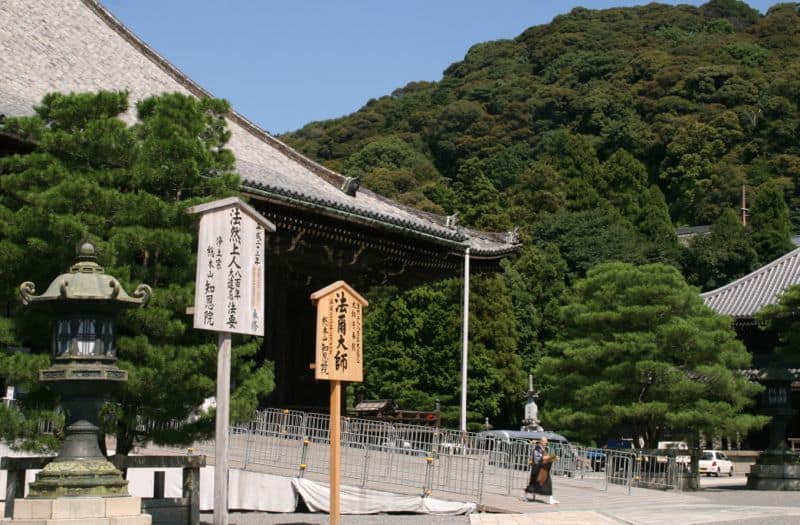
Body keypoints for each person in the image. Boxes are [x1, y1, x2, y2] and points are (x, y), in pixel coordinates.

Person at [524, 436, 559, 504]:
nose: (546, 444)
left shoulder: (543, 449)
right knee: (533, 484)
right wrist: (552, 457)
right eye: (545, 442)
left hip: (543, 469)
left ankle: (551, 499)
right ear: (541, 442)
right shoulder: (537, 449)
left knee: (548, 483)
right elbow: (541, 458)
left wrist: (553, 458)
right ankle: (525, 496)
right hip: (538, 470)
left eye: (546, 442)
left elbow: (546, 458)